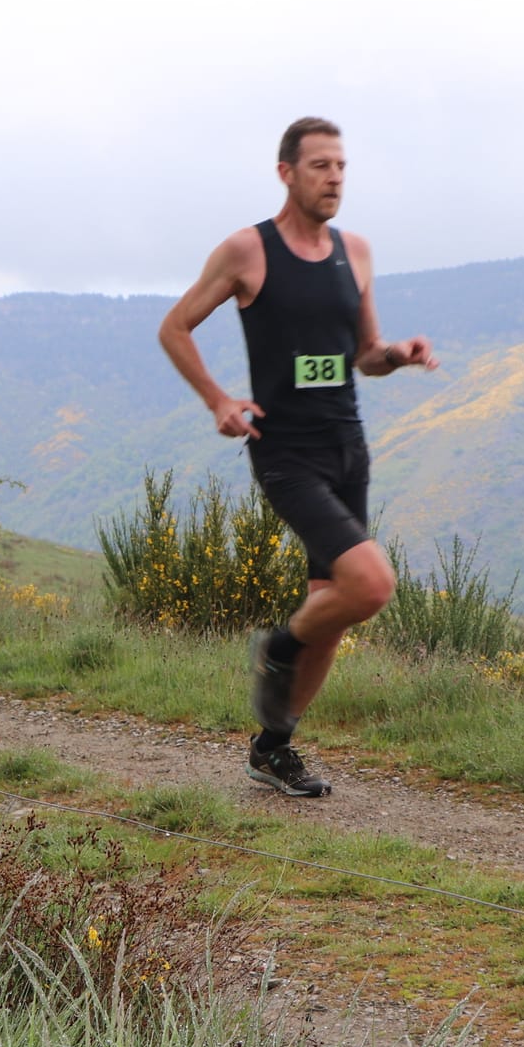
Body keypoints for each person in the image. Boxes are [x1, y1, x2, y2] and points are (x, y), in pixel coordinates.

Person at [157, 117, 438, 797]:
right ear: (286, 172)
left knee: (333, 609)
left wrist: (395, 356)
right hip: (286, 452)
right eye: (320, 165)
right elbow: (175, 327)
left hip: (349, 448)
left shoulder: (357, 251)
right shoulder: (248, 251)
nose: (335, 176)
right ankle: (276, 648)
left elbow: (364, 356)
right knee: (370, 585)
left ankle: (273, 749)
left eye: (341, 165)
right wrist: (218, 400)